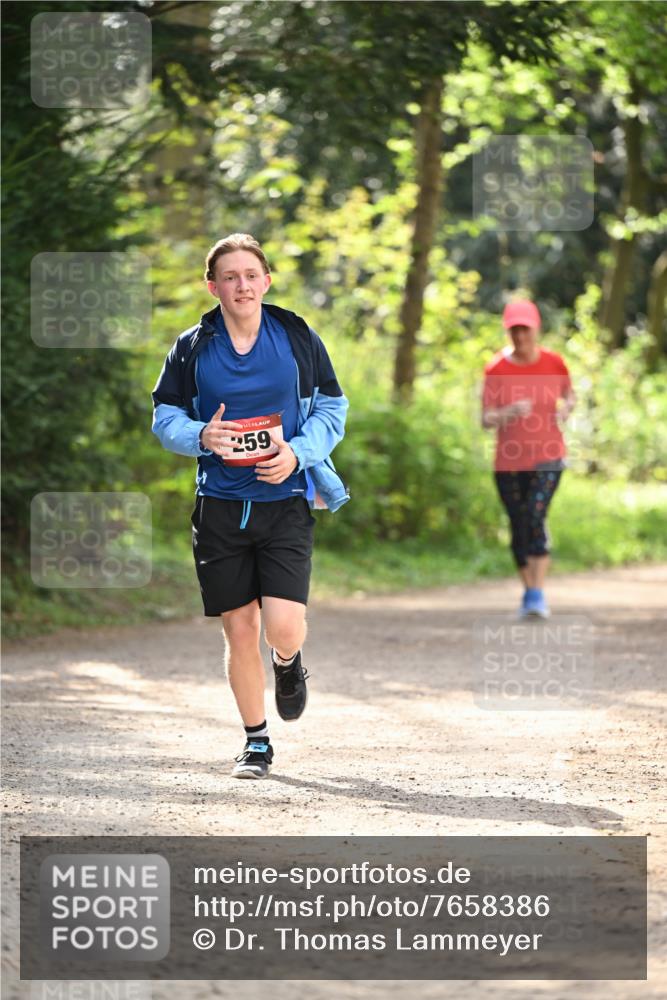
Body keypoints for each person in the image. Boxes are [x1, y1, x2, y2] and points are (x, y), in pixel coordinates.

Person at [151, 233, 349, 778]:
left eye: (251, 274)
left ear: (266, 280)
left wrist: (298, 453)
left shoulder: (297, 336)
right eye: (229, 276)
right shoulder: (192, 347)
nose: (242, 284)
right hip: (219, 506)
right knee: (239, 628)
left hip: (283, 500)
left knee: (282, 626)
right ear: (212, 286)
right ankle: (256, 742)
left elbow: (332, 405)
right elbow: (164, 416)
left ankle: (288, 663)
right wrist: (199, 436)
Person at [481, 299, 575, 618]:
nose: (520, 336)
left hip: (549, 455)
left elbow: (570, 394)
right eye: (514, 330)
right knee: (519, 523)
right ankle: (531, 591)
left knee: (535, 514)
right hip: (508, 461)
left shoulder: (554, 363)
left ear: (537, 329)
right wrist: (508, 413)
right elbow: (485, 418)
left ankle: (537, 593)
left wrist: (566, 407)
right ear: (508, 332)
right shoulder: (496, 368)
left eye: (525, 329)